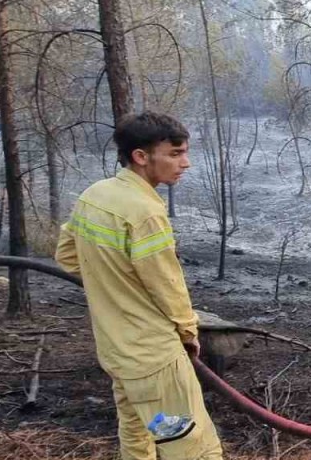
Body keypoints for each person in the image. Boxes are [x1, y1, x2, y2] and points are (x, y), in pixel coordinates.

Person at [55, 112, 221, 460]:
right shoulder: (145, 212)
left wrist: (113, 286)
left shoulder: (94, 195)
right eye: (175, 154)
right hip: (155, 362)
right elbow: (167, 286)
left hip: (118, 355)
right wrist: (189, 333)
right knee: (189, 448)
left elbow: (68, 258)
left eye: (185, 153)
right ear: (141, 157)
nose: (185, 163)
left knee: (139, 437)